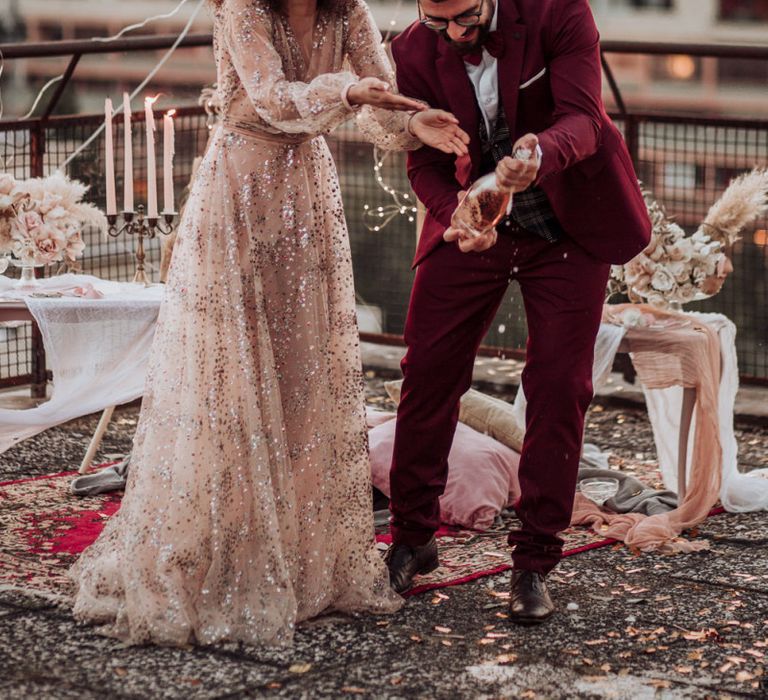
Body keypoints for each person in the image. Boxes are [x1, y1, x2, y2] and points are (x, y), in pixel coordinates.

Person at [69, 0, 469, 646]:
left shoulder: (350, 13)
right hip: (239, 188)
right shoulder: (244, 11)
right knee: (231, 372)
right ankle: (225, 539)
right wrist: (348, 90)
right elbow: (274, 97)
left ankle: (296, 547)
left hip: (306, 194)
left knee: (302, 372)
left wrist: (415, 120)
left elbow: (380, 102)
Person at [385, 0, 651, 623]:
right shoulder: (411, 52)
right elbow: (423, 162)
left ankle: (534, 561)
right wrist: (455, 214)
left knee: (560, 385)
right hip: (475, 227)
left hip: (568, 224)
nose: (453, 33)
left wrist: (539, 154)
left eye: (466, 16)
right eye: (436, 19)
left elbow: (585, 119)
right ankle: (412, 537)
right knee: (427, 373)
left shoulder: (560, 12)